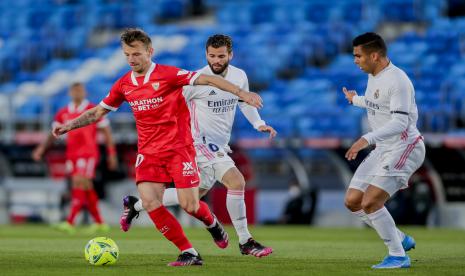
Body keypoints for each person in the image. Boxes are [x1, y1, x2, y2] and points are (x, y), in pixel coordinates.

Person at [51, 28, 263, 266]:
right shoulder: (124, 84)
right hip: (149, 152)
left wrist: (241, 92)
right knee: (151, 202)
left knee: (190, 205)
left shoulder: (168, 74)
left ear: (150, 52)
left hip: (179, 148)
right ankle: (189, 252)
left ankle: (212, 223)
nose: (132, 59)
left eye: (136, 54)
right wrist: (70, 125)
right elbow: (99, 112)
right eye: (127, 54)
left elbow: (208, 79)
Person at [121, 34, 276, 258]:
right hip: (198, 142)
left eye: (221, 56)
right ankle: (246, 241)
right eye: (211, 56)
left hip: (220, 144)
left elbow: (244, 102)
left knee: (192, 199)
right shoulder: (197, 80)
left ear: (230, 55)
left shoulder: (239, 76)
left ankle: (135, 205)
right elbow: (169, 102)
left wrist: (259, 123)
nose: (216, 60)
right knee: (236, 180)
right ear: (206, 55)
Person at [342, 32, 425, 269]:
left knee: (370, 202)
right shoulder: (375, 75)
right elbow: (376, 102)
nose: (355, 60)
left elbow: (400, 122)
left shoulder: (398, 81)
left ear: (375, 55)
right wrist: (356, 100)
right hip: (384, 148)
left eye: (358, 56)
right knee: (352, 201)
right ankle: (399, 238)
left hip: (405, 146)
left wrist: (365, 139)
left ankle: (398, 255)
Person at [32, 82, 118, 234]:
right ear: (70, 93)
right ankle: (99, 222)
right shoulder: (63, 112)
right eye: (74, 90)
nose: (77, 93)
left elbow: (107, 133)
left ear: (85, 92)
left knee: (79, 182)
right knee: (86, 186)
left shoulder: (93, 109)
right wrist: (41, 148)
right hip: (72, 154)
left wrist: (111, 153)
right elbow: (53, 133)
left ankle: (70, 222)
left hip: (88, 153)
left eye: (80, 90)